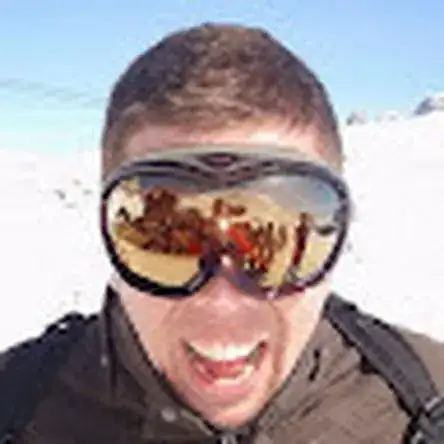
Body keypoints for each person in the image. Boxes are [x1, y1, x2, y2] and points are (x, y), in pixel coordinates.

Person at [1, 23, 443, 444]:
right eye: (167, 247)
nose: (222, 308)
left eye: (282, 236)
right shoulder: (16, 404)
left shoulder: (427, 398)